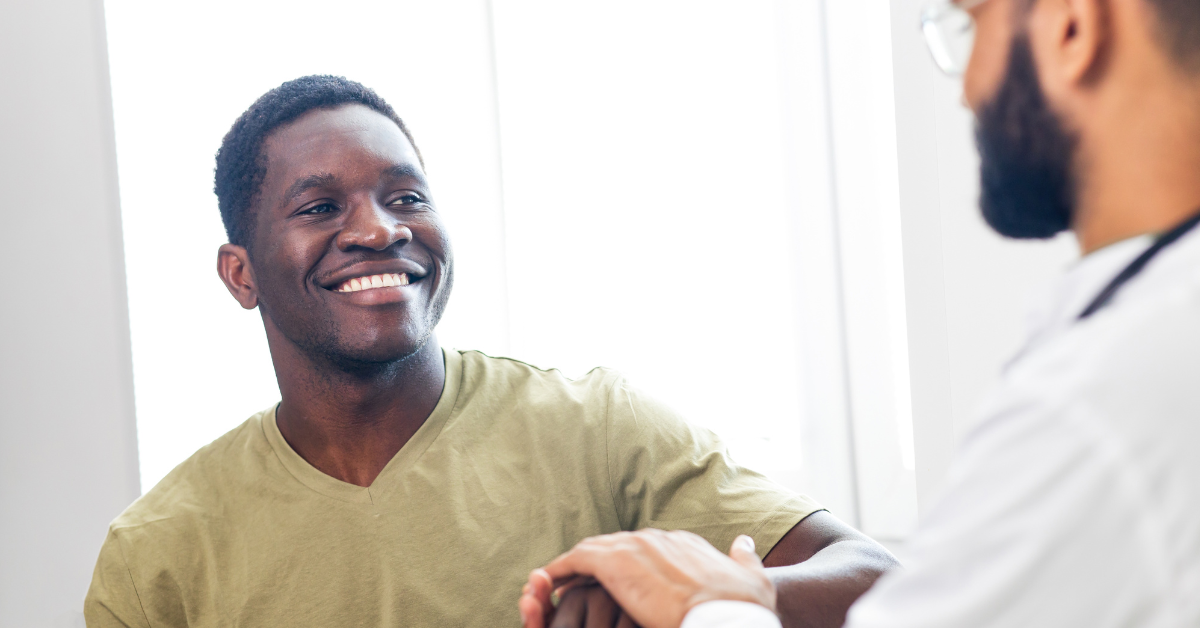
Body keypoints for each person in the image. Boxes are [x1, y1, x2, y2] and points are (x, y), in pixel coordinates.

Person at [83, 75, 897, 628]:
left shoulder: (597, 429)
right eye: (323, 205)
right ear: (240, 274)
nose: (379, 229)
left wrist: (715, 592)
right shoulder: (158, 555)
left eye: (406, 197)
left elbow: (883, 580)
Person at [519, 0, 1200, 626]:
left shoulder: (1109, 394)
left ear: (1072, 28)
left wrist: (710, 604)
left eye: (971, 24)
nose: (965, 90)